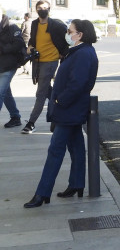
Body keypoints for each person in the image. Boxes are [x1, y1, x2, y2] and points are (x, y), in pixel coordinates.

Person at [24, 19, 98, 208]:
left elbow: (78, 83)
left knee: (55, 150)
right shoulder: (80, 51)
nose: (67, 33)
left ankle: (42, 193)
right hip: (71, 109)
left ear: (79, 35)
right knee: (76, 148)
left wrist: (59, 100)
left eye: (70, 31)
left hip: (69, 109)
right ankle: (77, 184)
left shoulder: (83, 53)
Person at [22, 0, 69, 134]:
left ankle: (31, 123)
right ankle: (59, 113)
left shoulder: (56, 25)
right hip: (38, 61)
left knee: (41, 92)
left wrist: (61, 54)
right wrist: (30, 47)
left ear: (49, 9)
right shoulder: (35, 23)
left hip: (50, 61)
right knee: (49, 91)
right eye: (39, 8)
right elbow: (33, 40)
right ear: (36, 10)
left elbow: (67, 41)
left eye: (44, 7)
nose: (42, 10)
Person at [1, 14, 25, 128]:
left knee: (0, 92)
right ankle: (15, 116)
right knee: (5, 93)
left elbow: (19, 43)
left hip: (8, 66)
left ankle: (15, 117)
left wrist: (3, 49)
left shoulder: (12, 27)